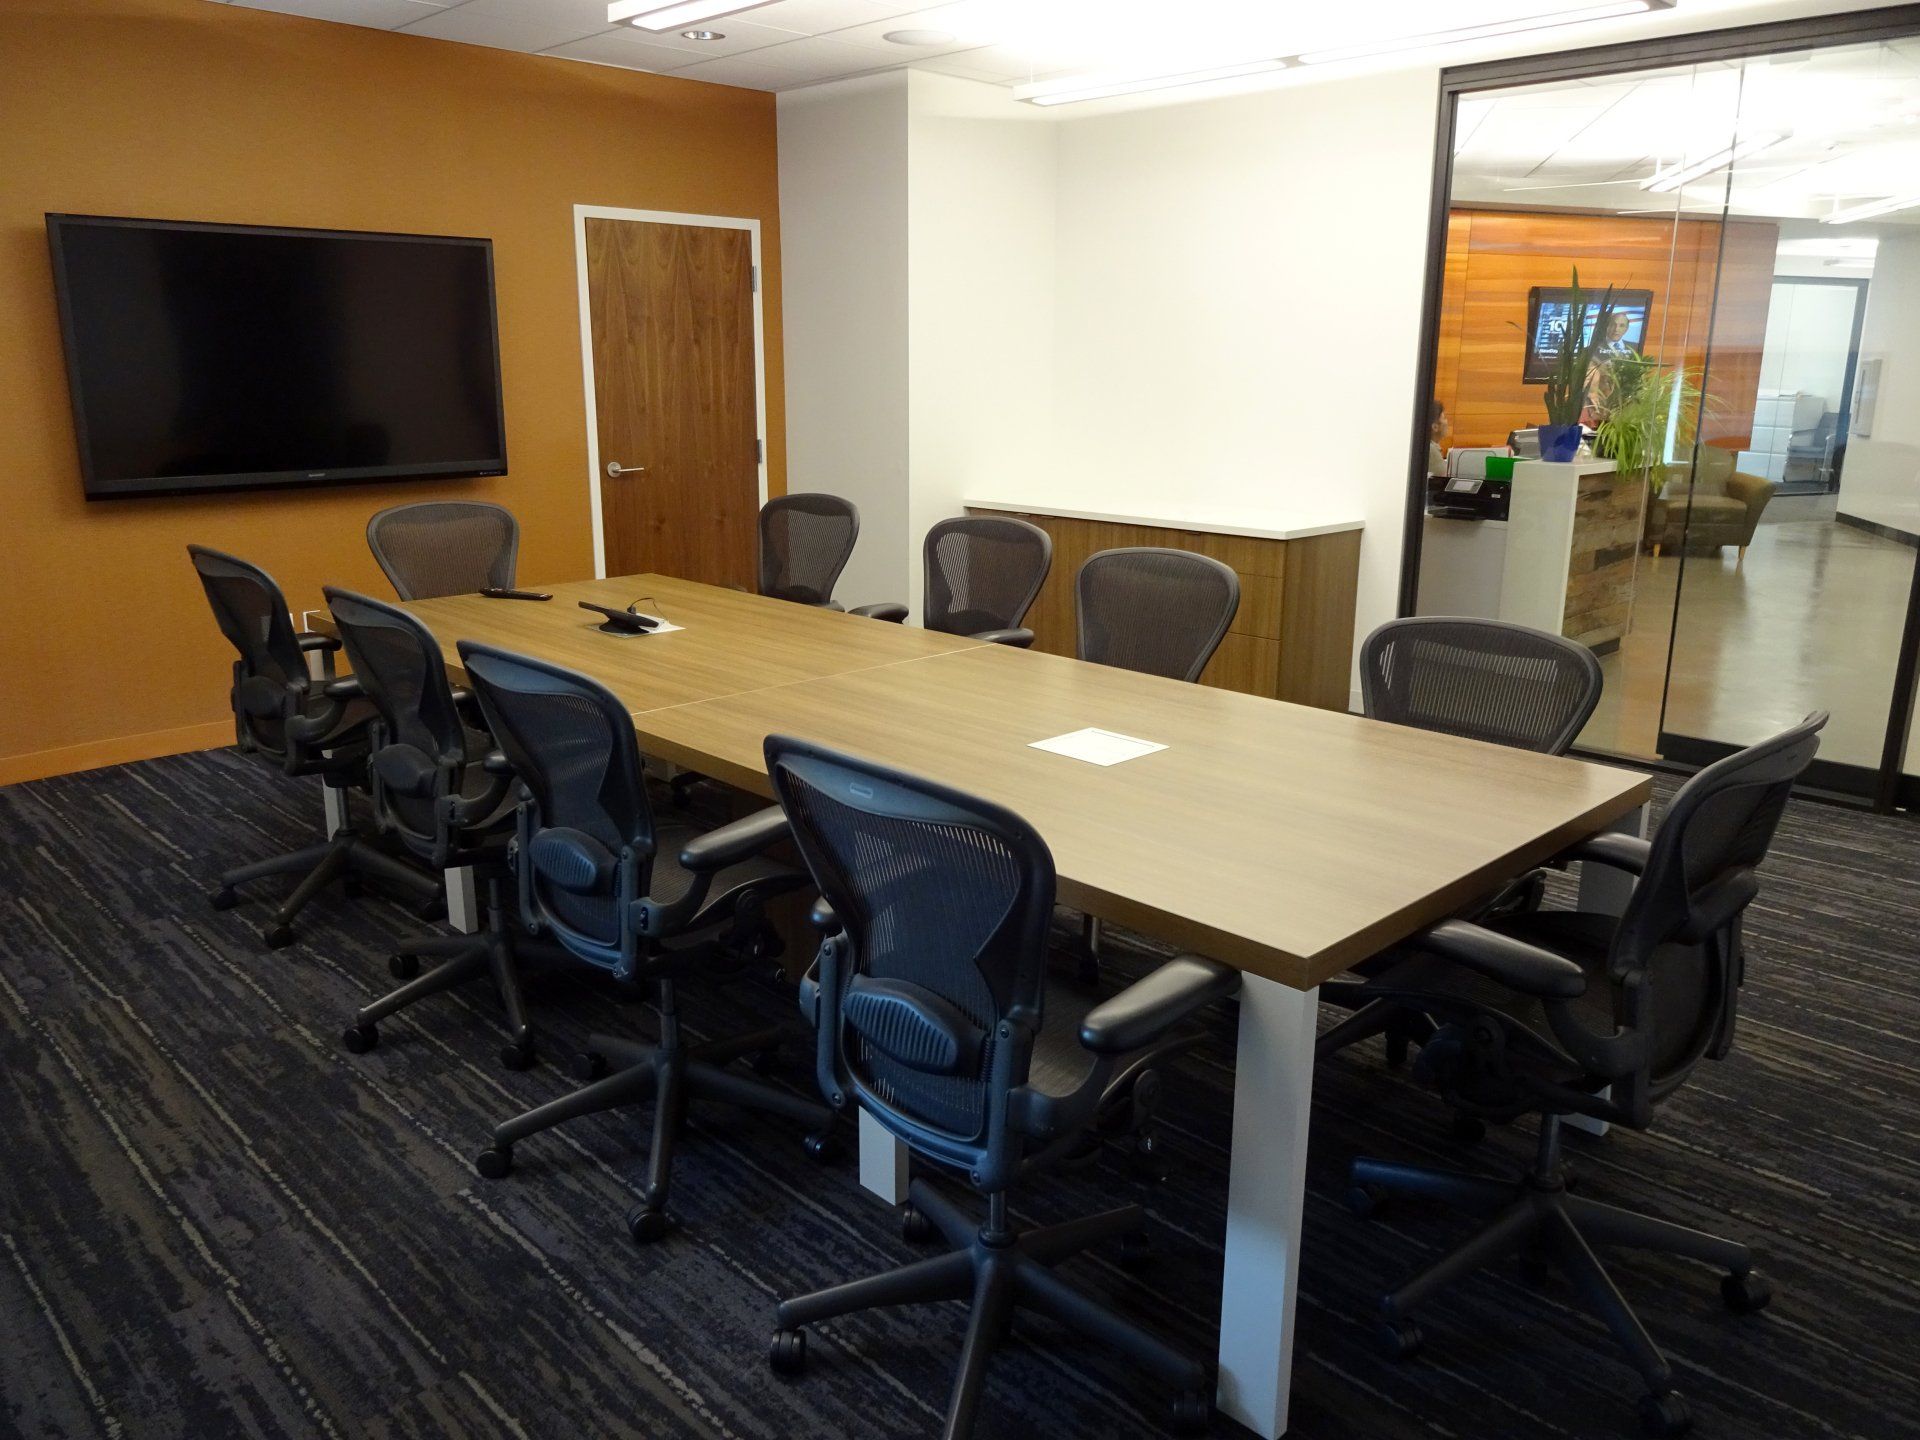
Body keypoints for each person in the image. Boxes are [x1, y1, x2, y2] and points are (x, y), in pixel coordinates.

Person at [1427, 400, 1452, 478]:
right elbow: (1443, 479)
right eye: (1444, 418)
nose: (1447, 422)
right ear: (1435, 427)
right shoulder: (1431, 450)